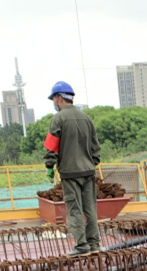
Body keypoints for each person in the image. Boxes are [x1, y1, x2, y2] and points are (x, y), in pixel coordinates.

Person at [43, 81, 102, 256]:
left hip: (70, 172)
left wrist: (49, 166)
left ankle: (82, 246)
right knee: (90, 208)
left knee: (74, 208)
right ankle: (94, 245)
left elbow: (52, 146)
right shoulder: (86, 118)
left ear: (59, 98)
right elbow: (95, 147)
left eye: (54, 99)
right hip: (88, 171)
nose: (54, 103)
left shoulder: (58, 118)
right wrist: (91, 163)